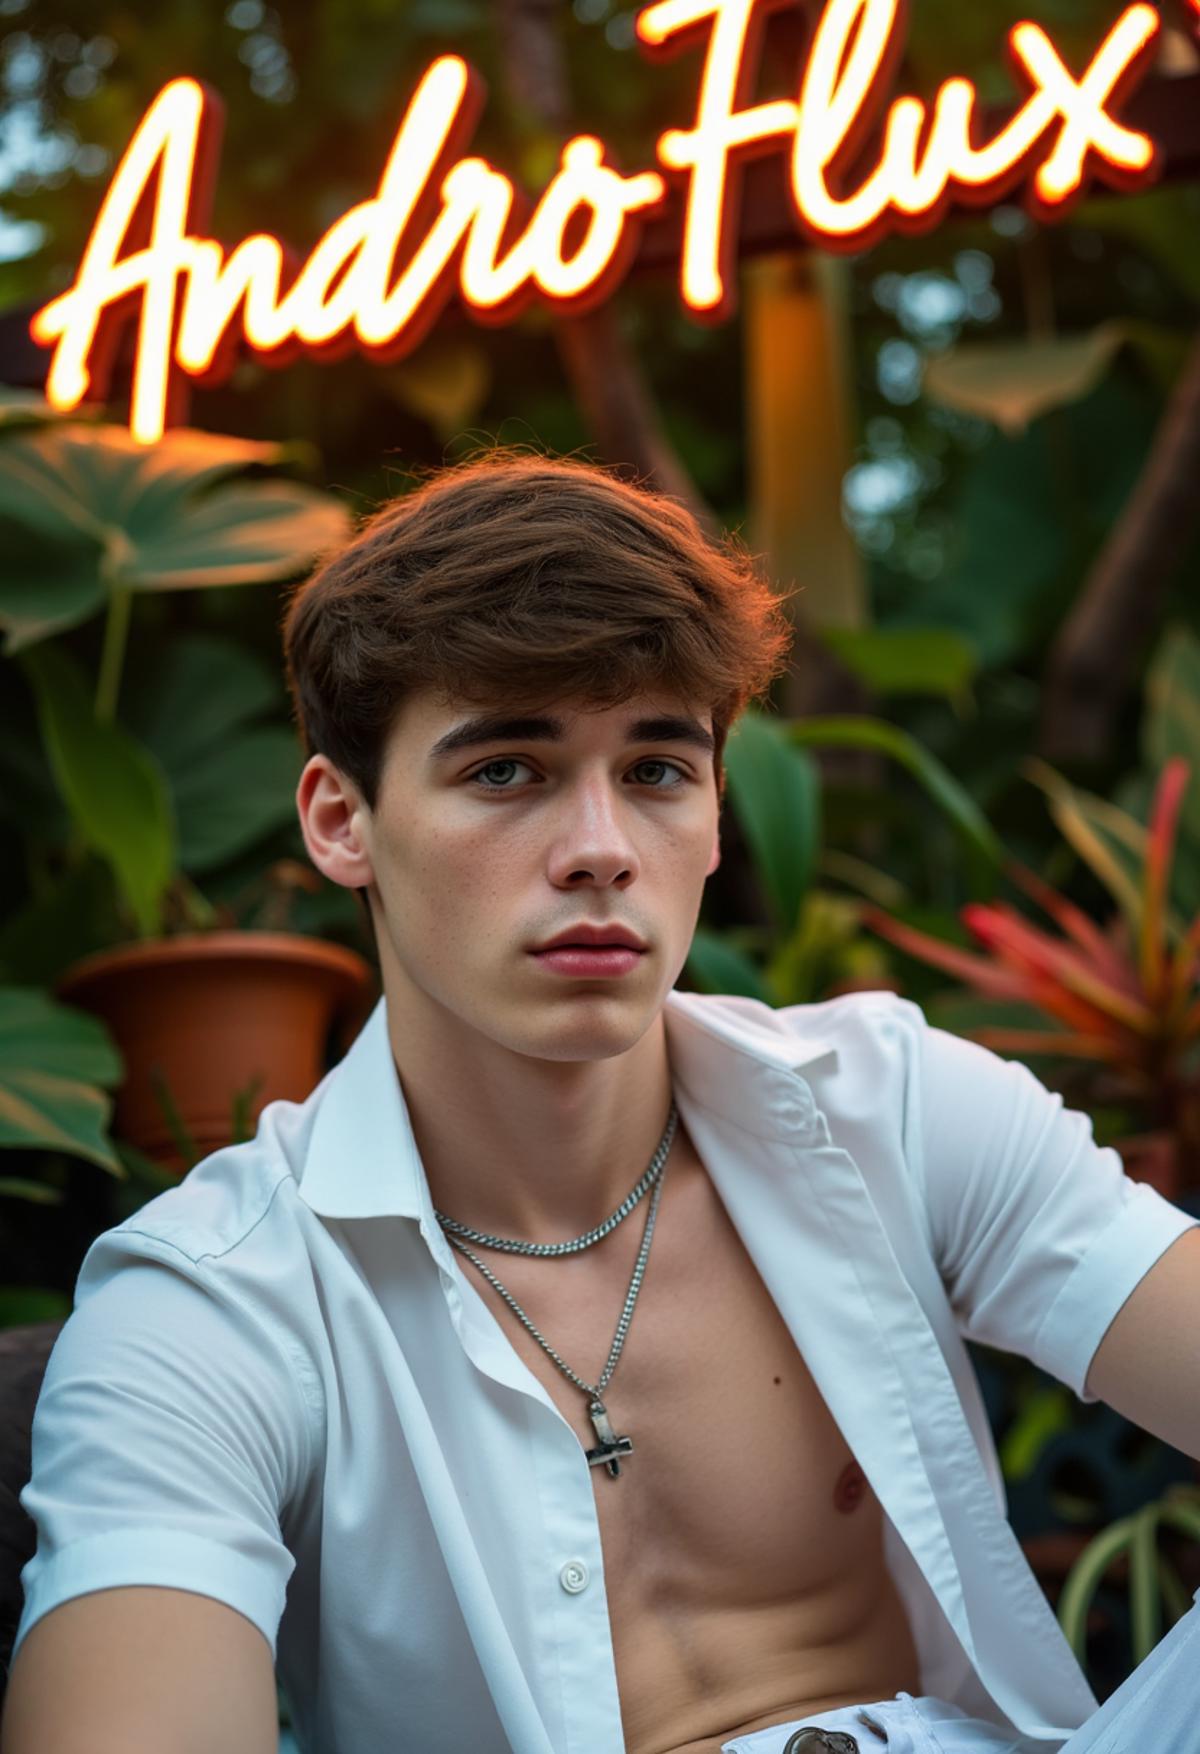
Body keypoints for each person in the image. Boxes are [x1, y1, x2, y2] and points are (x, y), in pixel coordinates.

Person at [3, 447, 1199, 1754]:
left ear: (716, 810)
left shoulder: (890, 1110)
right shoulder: (217, 1299)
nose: (601, 848)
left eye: (655, 769)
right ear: (341, 819)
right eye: (506, 770)